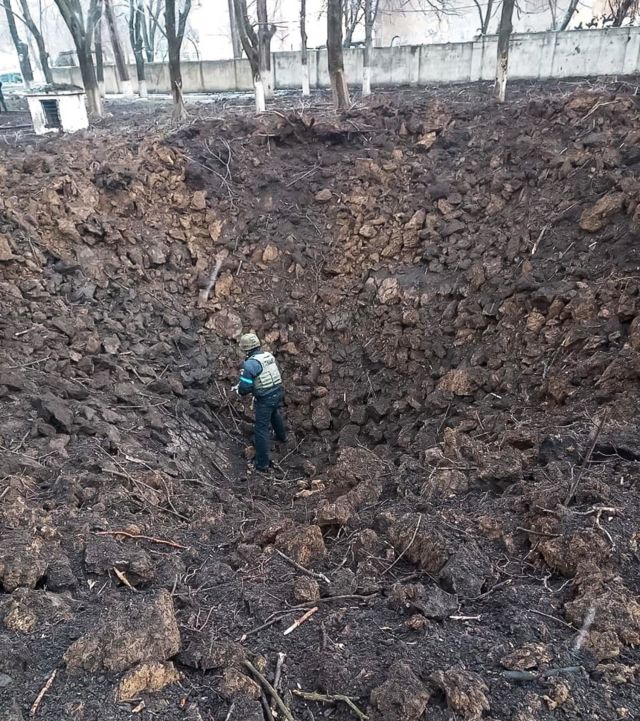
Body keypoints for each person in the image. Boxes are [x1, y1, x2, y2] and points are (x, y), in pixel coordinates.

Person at [233, 332, 286, 471]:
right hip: (278, 392)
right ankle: (282, 437)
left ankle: (262, 464)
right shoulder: (268, 356)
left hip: (265, 398)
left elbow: (244, 389)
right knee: (275, 414)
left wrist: (239, 389)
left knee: (261, 428)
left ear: (246, 349)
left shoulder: (250, 365)